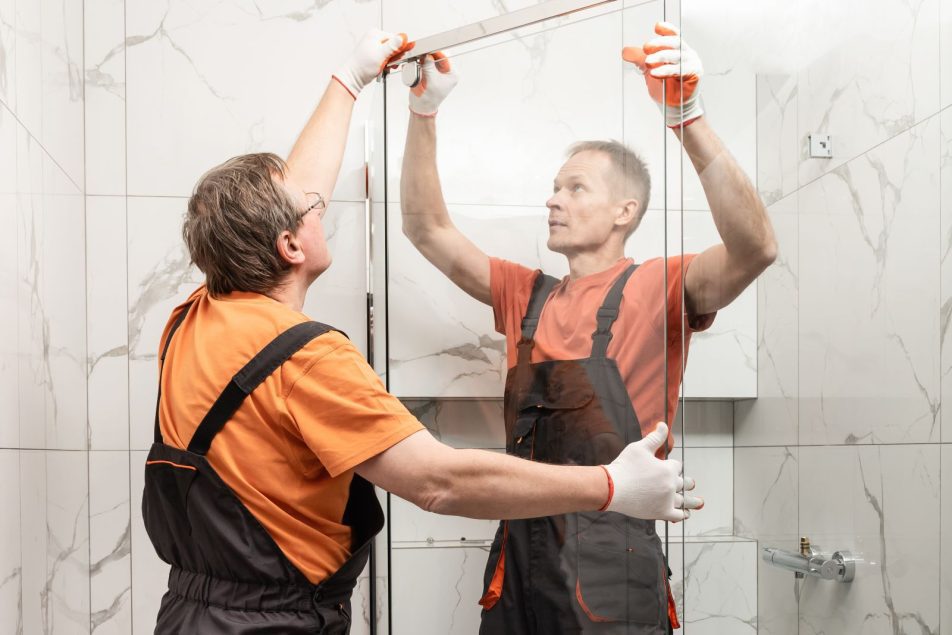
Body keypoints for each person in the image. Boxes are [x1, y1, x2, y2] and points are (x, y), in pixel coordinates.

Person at [140, 28, 702, 635]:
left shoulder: (195, 315)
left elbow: (283, 209)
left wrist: (348, 80)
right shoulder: (305, 358)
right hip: (269, 624)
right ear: (291, 244)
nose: (318, 202)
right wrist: (612, 484)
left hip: (189, 613)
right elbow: (438, 481)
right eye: (312, 208)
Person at [399, 21, 776, 635]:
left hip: (610, 560)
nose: (554, 200)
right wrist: (423, 113)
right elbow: (427, 230)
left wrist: (689, 116)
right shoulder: (526, 294)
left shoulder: (659, 285)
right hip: (519, 552)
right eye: (554, 188)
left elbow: (756, 247)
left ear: (625, 211)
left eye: (576, 188)